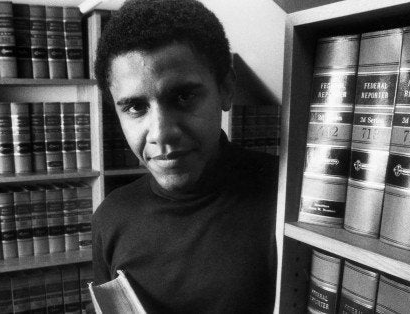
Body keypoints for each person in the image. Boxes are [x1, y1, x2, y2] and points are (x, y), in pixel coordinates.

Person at [92, 0, 278, 312]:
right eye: (135, 107)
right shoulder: (110, 218)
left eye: (184, 96)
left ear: (227, 89)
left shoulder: (286, 196)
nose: (161, 133)